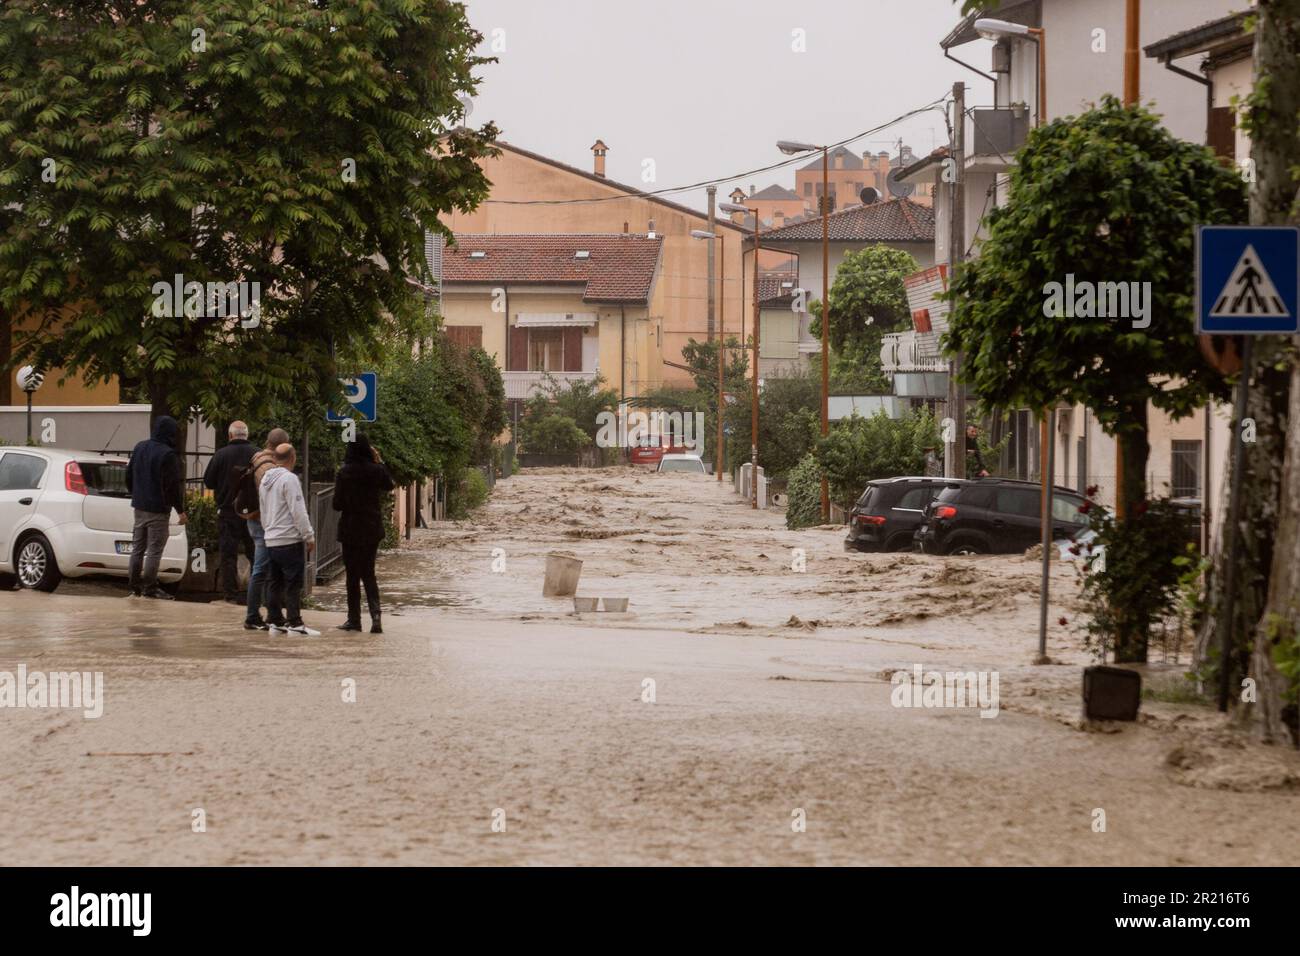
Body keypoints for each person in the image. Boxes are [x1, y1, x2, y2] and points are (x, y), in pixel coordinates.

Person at [332, 434, 395, 634]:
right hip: (371, 528)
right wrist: (379, 461)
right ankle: (376, 617)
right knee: (369, 573)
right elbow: (390, 485)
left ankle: (354, 620)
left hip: (350, 528)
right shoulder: (376, 471)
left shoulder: (344, 472)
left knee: (352, 575)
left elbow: (336, 504)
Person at [124, 415, 188, 599]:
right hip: (158, 509)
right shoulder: (167, 455)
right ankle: (150, 588)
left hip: (139, 506)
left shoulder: (139, 447)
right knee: (154, 550)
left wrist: (136, 493)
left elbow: (129, 475)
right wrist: (180, 510)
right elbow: (171, 486)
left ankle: (134, 586)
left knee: (138, 548)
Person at [258, 443, 318, 636]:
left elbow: (263, 509)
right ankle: (295, 622)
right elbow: (298, 510)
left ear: (275, 458)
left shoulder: (266, 479)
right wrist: (308, 536)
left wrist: (268, 530)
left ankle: (275, 620)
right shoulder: (289, 479)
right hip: (289, 539)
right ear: (292, 458)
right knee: (293, 583)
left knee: (274, 581)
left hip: (271, 538)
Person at [241, 427, 290, 631]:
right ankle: (253, 615)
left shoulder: (256, 458)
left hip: (254, 519)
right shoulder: (269, 467)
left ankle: (273, 613)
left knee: (269, 570)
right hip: (264, 522)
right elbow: (273, 499)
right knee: (261, 570)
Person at [203, 421, 256, 603]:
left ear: (231, 435)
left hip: (228, 511)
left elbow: (208, 481)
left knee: (228, 554)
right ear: (246, 435)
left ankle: (230, 595)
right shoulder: (256, 455)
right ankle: (258, 593)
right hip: (253, 513)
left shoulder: (221, 455)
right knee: (256, 553)